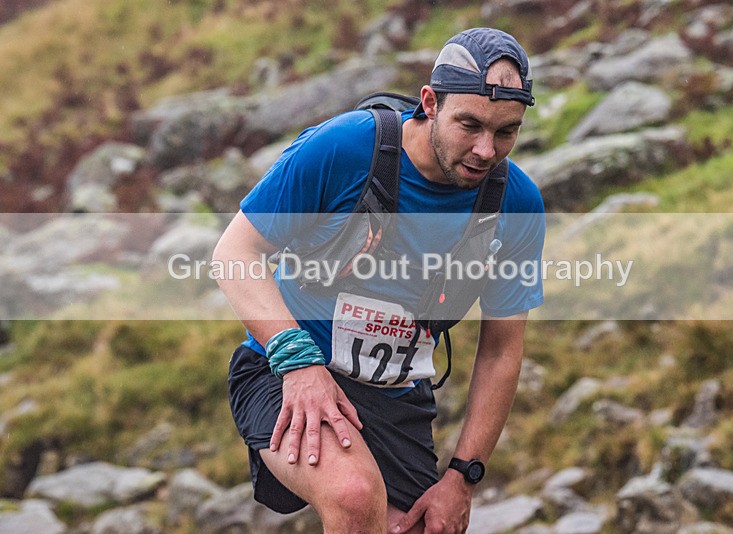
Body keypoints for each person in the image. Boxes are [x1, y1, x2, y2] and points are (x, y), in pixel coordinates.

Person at [214, 27, 545, 533]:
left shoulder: (515, 204)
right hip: (285, 372)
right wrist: (298, 362)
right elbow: (235, 253)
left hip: (397, 400)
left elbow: (502, 349)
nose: (485, 149)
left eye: (506, 132)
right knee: (354, 495)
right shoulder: (345, 149)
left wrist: (463, 477)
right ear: (430, 102)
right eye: (469, 125)